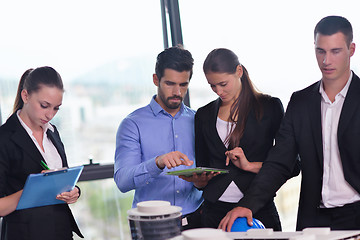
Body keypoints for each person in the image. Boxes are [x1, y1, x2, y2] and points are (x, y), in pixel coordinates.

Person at [219, 15, 360, 232]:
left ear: (351, 49)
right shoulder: (300, 102)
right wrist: (247, 204)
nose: (326, 60)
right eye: (320, 51)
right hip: (314, 220)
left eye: (335, 51)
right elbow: (279, 161)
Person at [190, 48, 291, 231]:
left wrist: (249, 166)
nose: (218, 91)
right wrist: (199, 181)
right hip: (214, 212)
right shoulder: (203, 115)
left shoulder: (270, 107)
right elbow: (202, 165)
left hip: (258, 208)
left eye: (223, 84)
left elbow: (291, 165)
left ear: (239, 71)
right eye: (212, 86)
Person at [114, 46, 203, 229]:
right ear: (156, 79)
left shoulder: (199, 120)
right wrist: (157, 163)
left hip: (198, 221)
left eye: (183, 84)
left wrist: (203, 181)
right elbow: (122, 181)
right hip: (152, 226)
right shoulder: (132, 124)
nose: (177, 92)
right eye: (170, 84)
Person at [0, 67, 83, 239]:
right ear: (26, 96)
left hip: (61, 231)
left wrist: (73, 191)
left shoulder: (52, 132)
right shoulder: (4, 138)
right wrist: (34, 190)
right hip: (25, 234)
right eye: (44, 106)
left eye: (56, 108)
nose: (50, 114)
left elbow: (61, 177)